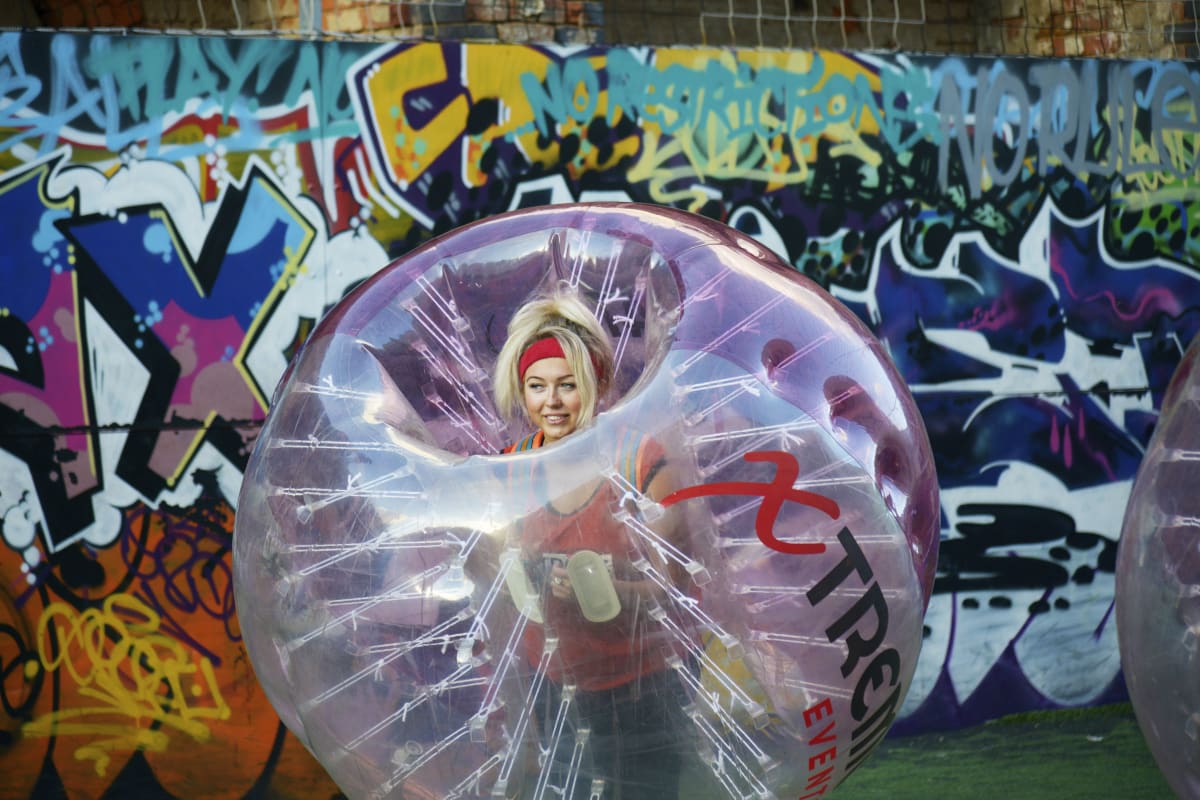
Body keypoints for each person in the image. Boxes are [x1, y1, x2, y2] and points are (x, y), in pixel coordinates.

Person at [492, 291, 690, 800]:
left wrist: (613, 591)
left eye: (567, 386)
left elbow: (674, 588)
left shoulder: (637, 461)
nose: (550, 403)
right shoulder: (511, 467)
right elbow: (498, 568)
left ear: (597, 385)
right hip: (558, 687)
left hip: (642, 684)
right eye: (536, 387)